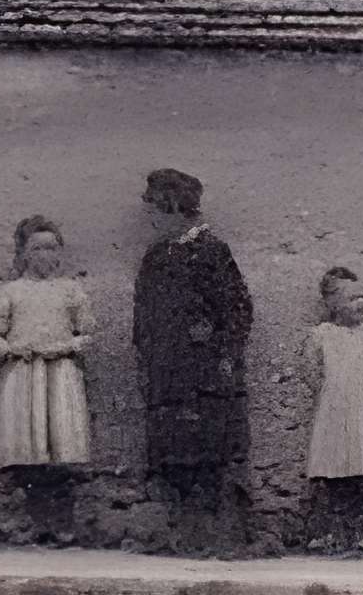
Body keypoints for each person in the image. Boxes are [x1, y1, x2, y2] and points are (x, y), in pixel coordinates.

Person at [133, 168, 255, 550]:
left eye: (155, 210)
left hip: (204, 372)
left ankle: (216, 533)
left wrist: (219, 345)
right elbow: (142, 314)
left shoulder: (210, 250)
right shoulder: (155, 256)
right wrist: (145, 356)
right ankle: (183, 531)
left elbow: (238, 308)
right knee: (174, 453)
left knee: (208, 452)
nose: (151, 219)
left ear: (173, 207)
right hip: (166, 371)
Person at [0, 215, 95, 540]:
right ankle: (34, 522)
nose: (45, 255)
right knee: (28, 444)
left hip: (60, 373)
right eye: (37, 249)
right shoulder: (12, 292)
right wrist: (10, 350)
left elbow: (88, 332)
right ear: (23, 253)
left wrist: (69, 346)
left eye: (51, 248)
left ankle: (62, 523)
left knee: (60, 442)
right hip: (24, 374)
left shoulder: (70, 291)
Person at [300, 268, 363, 551]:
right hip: (335, 409)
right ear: (332, 302)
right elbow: (311, 373)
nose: (361, 303)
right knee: (335, 466)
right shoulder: (321, 335)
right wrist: (331, 396)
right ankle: (336, 531)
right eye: (352, 298)